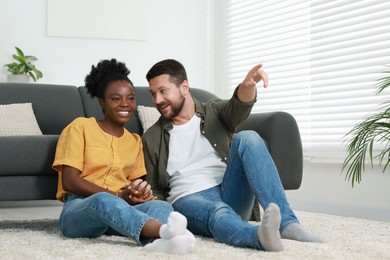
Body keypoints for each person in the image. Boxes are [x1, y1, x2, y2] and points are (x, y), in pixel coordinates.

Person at [141, 59, 323, 252]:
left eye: (163, 91)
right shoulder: (151, 138)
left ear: (184, 87)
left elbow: (238, 106)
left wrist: (247, 86)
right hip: (188, 199)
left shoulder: (212, 111)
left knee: (248, 138)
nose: (157, 100)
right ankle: (258, 237)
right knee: (217, 211)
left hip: (230, 191)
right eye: (153, 94)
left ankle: (287, 224)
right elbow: (155, 190)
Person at [52, 58, 195, 255]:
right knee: (102, 199)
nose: (125, 104)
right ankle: (163, 232)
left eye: (130, 98)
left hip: (119, 214)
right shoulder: (80, 127)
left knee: (160, 206)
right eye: (116, 98)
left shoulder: (135, 141)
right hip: (80, 210)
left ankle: (159, 244)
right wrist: (118, 196)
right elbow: (69, 181)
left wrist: (139, 193)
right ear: (102, 102)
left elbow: (135, 185)